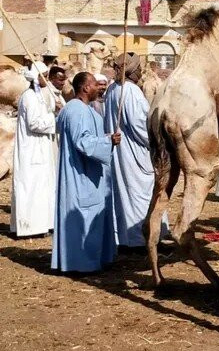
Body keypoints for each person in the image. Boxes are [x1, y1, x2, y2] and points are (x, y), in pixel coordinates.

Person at [51, 72, 120, 273]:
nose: (98, 87)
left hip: (85, 172)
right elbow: (83, 142)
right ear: (85, 87)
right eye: (93, 84)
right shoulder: (77, 111)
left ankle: (89, 260)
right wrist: (108, 141)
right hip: (81, 175)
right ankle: (81, 263)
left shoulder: (77, 109)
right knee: (83, 217)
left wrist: (104, 138)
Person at [103, 53, 156, 248]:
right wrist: (156, 140)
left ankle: (126, 237)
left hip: (119, 150)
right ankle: (139, 239)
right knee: (138, 193)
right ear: (131, 71)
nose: (141, 72)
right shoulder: (130, 91)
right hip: (133, 151)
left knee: (124, 192)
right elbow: (139, 124)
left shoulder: (112, 90)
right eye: (139, 69)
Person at [10, 62, 57, 237]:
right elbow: (34, 123)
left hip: (41, 147)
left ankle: (42, 225)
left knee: (42, 187)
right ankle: (30, 227)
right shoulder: (29, 97)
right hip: (31, 149)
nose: (46, 78)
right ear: (37, 78)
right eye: (44, 74)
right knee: (30, 187)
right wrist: (55, 119)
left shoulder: (38, 95)